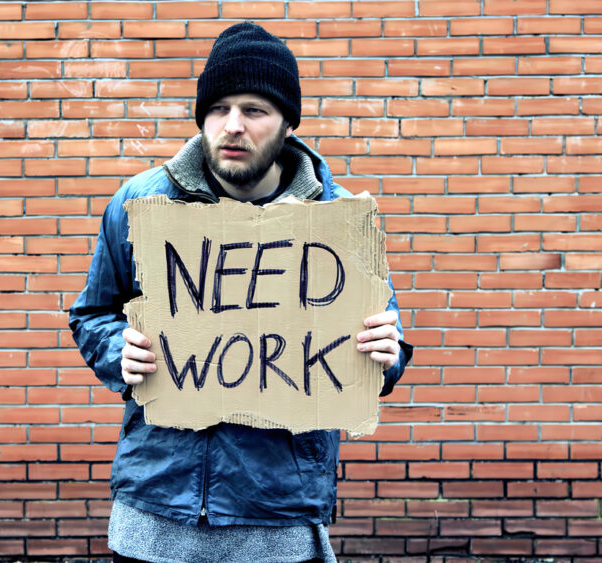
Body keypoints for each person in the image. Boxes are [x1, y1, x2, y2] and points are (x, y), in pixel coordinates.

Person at [68, 22, 414, 563]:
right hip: (157, 515)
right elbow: (92, 313)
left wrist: (386, 355)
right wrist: (119, 350)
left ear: (285, 123)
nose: (233, 126)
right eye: (219, 108)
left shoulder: (339, 221)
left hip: (277, 521)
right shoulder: (140, 204)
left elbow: (382, 356)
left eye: (254, 109)